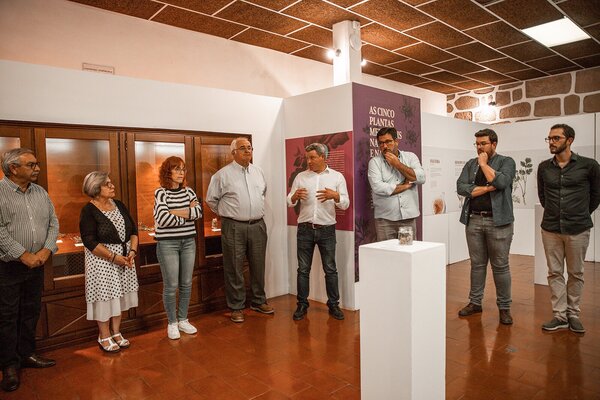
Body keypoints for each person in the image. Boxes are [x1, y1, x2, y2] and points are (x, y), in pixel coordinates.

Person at [0, 148, 59, 392]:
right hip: (9, 266)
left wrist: (46, 250)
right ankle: (9, 365)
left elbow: (53, 222)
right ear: (13, 168)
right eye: (31, 165)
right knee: (7, 316)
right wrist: (22, 255)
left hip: (37, 264)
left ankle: (27, 354)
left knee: (30, 311)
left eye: (36, 164)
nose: (37, 169)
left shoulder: (40, 192)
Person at [537, 124, 600, 333]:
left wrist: (579, 213)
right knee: (554, 273)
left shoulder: (589, 166)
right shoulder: (544, 167)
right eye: (549, 138)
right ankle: (559, 315)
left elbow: (595, 196)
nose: (551, 142)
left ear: (569, 140)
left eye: (556, 138)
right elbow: (543, 197)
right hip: (551, 228)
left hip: (578, 228)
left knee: (576, 273)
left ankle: (573, 314)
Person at [206, 137, 273, 323]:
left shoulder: (258, 172)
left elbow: (263, 193)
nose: (247, 151)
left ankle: (258, 301)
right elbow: (211, 200)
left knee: (258, 265)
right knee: (234, 267)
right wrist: (228, 213)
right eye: (243, 148)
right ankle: (236, 306)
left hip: (258, 225)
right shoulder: (222, 175)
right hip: (234, 226)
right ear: (233, 152)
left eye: (249, 147)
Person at [456, 128, 516, 325]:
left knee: (501, 266)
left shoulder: (506, 162)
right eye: (477, 144)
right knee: (477, 264)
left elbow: (502, 182)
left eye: (483, 143)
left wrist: (483, 164)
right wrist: (487, 188)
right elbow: (461, 187)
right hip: (473, 220)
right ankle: (475, 302)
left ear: (494, 144)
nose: (479, 147)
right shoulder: (470, 164)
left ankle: (504, 308)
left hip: (498, 222)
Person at [287, 143, 349, 321]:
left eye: (312, 157)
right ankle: (302, 304)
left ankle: (334, 304)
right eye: (307, 158)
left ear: (323, 157)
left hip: (327, 229)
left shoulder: (337, 177)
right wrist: (294, 196)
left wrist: (335, 196)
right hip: (304, 229)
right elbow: (289, 200)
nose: (309, 161)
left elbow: (345, 203)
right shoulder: (301, 176)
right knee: (303, 270)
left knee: (330, 269)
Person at [79, 171, 139, 353]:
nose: (112, 186)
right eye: (108, 184)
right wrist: (114, 257)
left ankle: (116, 332)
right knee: (104, 298)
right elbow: (89, 241)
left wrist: (132, 252)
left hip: (125, 259)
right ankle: (104, 335)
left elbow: (133, 231)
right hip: (102, 262)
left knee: (120, 297)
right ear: (95, 188)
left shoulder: (119, 204)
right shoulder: (88, 211)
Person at [154, 156, 202, 340]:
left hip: (188, 241)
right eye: (177, 169)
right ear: (168, 172)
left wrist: (173, 212)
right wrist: (187, 214)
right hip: (167, 243)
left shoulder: (189, 191)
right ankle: (172, 323)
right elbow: (162, 219)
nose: (181, 173)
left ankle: (183, 319)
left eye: (183, 169)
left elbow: (198, 213)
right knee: (171, 284)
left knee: (186, 283)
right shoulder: (161, 193)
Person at [368, 127, 426, 241]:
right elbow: (378, 187)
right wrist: (406, 185)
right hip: (385, 220)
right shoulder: (375, 162)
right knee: (386, 251)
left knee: (407, 249)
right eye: (381, 143)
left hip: (407, 219)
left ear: (396, 141)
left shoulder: (410, 157)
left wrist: (397, 164)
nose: (384, 146)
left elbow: (421, 178)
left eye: (388, 141)